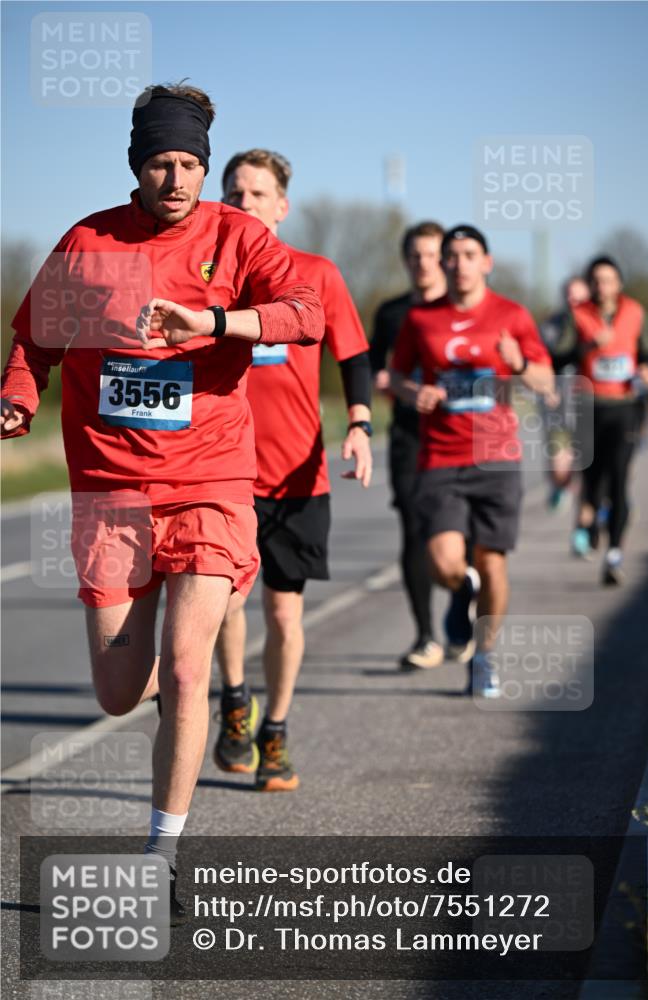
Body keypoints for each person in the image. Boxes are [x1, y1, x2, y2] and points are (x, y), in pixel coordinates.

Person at [0, 86, 324, 915]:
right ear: (136, 165)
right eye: (159, 163)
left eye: (188, 165)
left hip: (212, 481)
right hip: (112, 488)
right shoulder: (90, 240)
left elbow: (304, 311)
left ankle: (163, 850)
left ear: (205, 167)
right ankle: (146, 703)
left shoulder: (236, 234)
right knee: (119, 690)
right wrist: (17, 394)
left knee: (187, 667)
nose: (175, 179)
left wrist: (215, 323)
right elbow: (35, 334)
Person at [214, 149, 372, 791]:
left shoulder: (316, 274)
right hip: (222, 473)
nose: (244, 202)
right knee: (221, 600)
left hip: (298, 476)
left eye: (257, 193)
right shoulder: (208, 283)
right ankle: (232, 703)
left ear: (281, 206)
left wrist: (359, 425)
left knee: (283, 615)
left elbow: (353, 356)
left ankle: (273, 731)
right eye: (234, 192)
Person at [390, 225, 553, 696]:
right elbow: (395, 375)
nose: (459, 263)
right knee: (443, 561)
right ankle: (461, 589)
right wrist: (413, 391)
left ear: (487, 261)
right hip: (441, 454)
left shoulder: (512, 315)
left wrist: (518, 362)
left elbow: (545, 382)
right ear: (442, 264)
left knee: (493, 562)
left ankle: (483, 657)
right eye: (452, 256)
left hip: (497, 456)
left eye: (469, 254)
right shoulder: (421, 320)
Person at [370, 221, 453, 670]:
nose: (423, 263)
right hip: (408, 435)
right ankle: (425, 635)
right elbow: (371, 365)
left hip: (460, 436)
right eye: (415, 255)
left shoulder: (460, 309)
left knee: (459, 539)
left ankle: (464, 609)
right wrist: (392, 385)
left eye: (432, 254)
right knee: (415, 531)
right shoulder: (392, 313)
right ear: (405, 260)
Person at [553, 256, 648, 584]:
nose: (602, 286)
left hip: (624, 406)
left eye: (608, 280)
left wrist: (645, 368)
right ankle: (593, 518)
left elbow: (646, 352)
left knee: (621, 478)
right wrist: (587, 346)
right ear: (590, 284)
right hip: (588, 406)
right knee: (593, 484)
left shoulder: (636, 312)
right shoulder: (578, 314)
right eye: (596, 280)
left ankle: (614, 555)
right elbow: (560, 357)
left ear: (619, 283)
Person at [539, 276, 590, 512]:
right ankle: (561, 485)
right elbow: (541, 361)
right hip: (559, 404)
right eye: (570, 294)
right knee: (560, 468)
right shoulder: (551, 327)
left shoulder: (598, 325)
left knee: (589, 468)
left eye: (579, 295)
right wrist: (546, 386)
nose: (574, 300)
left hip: (592, 405)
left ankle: (584, 523)